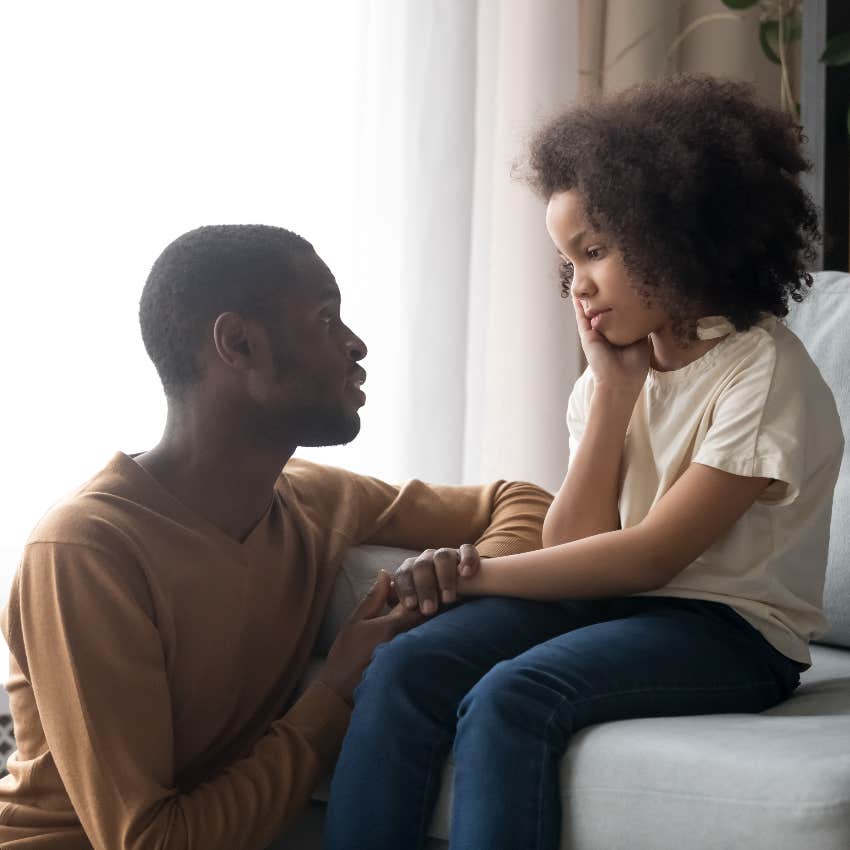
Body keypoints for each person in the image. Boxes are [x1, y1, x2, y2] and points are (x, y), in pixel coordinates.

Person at [324, 73, 846, 850]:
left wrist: (470, 573)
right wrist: (610, 395)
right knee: (405, 667)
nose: (579, 286)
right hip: (618, 607)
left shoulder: (761, 371)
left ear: (673, 232)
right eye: (567, 264)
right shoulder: (613, 376)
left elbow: (651, 553)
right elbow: (571, 551)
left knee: (513, 696)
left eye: (594, 251)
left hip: (732, 632)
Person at [0, 225, 553, 850]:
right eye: (326, 320)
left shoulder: (313, 499)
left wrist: (465, 580)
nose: (357, 344)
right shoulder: (87, 552)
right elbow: (151, 843)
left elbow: (523, 501)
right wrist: (334, 693)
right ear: (238, 343)